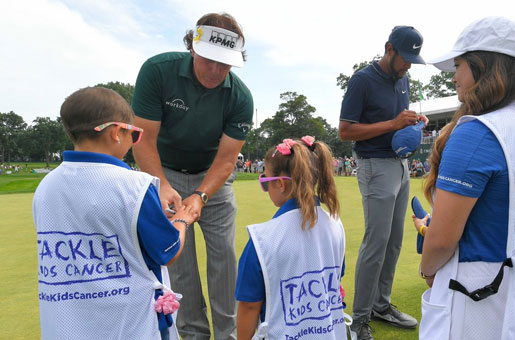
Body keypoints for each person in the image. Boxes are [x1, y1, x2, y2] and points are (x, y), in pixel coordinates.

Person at [412, 17, 515, 339]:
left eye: (459, 66)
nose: (454, 78)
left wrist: (428, 270)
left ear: (482, 65)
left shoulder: (477, 131)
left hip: (481, 306)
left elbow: (441, 241)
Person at [33, 87, 199, 340]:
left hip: (66, 324)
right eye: (134, 133)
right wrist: (181, 220)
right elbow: (168, 250)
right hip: (130, 325)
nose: (134, 141)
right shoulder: (134, 185)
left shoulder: (45, 186)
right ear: (116, 133)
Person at [131, 12, 253, 340]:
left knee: (224, 259)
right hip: (164, 171)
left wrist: (200, 195)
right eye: (208, 59)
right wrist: (162, 186)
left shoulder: (240, 97)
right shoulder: (158, 71)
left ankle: (229, 334)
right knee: (178, 259)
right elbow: (142, 141)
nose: (215, 70)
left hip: (213, 177)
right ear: (193, 47)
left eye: (224, 63)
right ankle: (194, 334)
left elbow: (227, 160)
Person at [338, 25, 427, 339]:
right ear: (389, 49)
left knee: (394, 242)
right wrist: (392, 123)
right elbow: (345, 131)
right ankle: (360, 319)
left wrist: (409, 123)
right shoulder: (362, 80)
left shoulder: (403, 78)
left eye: (413, 59)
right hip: (374, 165)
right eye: (405, 57)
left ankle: (381, 305)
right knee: (375, 244)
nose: (408, 65)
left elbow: (396, 122)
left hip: (400, 165)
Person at [235, 137, 346, 339]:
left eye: (265, 182)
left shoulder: (263, 238)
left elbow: (249, 306)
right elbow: (337, 276)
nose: (265, 189)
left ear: (280, 184)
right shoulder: (336, 225)